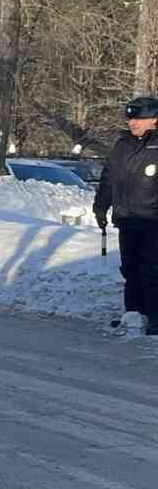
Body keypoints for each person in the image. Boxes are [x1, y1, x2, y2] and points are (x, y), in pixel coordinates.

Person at [95, 94, 158, 338]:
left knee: (152, 270)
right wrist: (101, 207)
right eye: (131, 118)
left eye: (140, 119)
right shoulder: (122, 145)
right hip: (127, 219)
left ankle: (155, 318)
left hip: (153, 221)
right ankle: (133, 315)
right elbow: (109, 178)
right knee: (130, 270)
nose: (133, 123)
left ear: (154, 119)